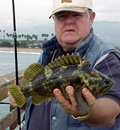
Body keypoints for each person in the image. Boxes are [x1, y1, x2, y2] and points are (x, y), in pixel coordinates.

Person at [8, 0, 120, 129]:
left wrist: (86, 110)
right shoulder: (49, 54)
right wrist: (21, 99)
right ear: (54, 20)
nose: (69, 21)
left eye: (76, 14)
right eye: (62, 15)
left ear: (91, 18)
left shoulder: (106, 58)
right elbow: (39, 99)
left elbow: (111, 111)